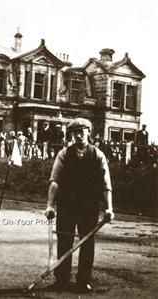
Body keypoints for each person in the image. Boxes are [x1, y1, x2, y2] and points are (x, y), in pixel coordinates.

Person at [44, 118, 114, 293]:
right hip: (67, 204)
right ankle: (62, 280)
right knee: (64, 240)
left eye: (82, 131)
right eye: (75, 132)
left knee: (87, 243)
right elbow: (54, 181)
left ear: (88, 132)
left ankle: (83, 281)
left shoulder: (98, 155)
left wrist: (109, 208)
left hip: (88, 206)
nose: (79, 135)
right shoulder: (64, 154)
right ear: (72, 134)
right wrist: (50, 205)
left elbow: (106, 185)